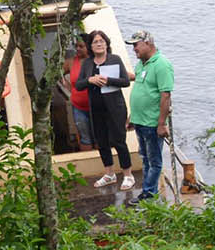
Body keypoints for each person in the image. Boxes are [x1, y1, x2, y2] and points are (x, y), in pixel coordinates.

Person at [74, 30, 135, 189]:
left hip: (115, 107)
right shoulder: (87, 63)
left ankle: (128, 175)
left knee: (118, 140)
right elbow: (78, 85)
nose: (99, 44)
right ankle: (109, 173)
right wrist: (90, 80)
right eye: (95, 42)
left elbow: (125, 81)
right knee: (101, 141)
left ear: (107, 44)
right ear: (90, 46)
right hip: (96, 107)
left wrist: (108, 80)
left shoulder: (115, 59)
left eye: (101, 41)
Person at [124, 29, 173, 205]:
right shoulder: (141, 64)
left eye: (136, 45)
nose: (134, 49)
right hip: (140, 121)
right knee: (145, 158)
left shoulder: (162, 64)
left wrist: (161, 124)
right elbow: (140, 90)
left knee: (154, 161)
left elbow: (165, 95)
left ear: (148, 43)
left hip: (152, 123)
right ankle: (148, 191)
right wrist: (132, 117)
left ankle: (149, 194)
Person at [65, 34, 95, 149]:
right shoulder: (71, 62)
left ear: (89, 47)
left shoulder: (95, 60)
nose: (77, 49)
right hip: (78, 107)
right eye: (76, 46)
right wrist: (68, 87)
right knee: (85, 138)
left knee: (99, 136)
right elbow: (56, 74)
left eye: (81, 46)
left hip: (96, 105)